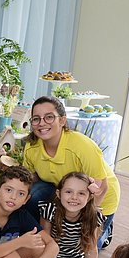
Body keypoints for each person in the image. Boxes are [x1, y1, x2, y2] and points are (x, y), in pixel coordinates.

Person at [23, 96, 117, 249]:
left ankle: (106, 230)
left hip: (98, 200)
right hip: (64, 192)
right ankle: (36, 233)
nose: (42, 123)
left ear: (62, 120)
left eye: (49, 117)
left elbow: (101, 189)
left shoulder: (82, 147)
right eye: (36, 119)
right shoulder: (32, 146)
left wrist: (87, 223)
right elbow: (29, 179)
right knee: (32, 194)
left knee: (82, 250)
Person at [39, 171, 106, 258]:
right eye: (68, 192)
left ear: (89, 197)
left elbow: (91, 251)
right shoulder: (50, 211)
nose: (74, 197)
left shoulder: (92, 217)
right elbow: (44, 242)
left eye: (81, 193)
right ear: (59, 193)